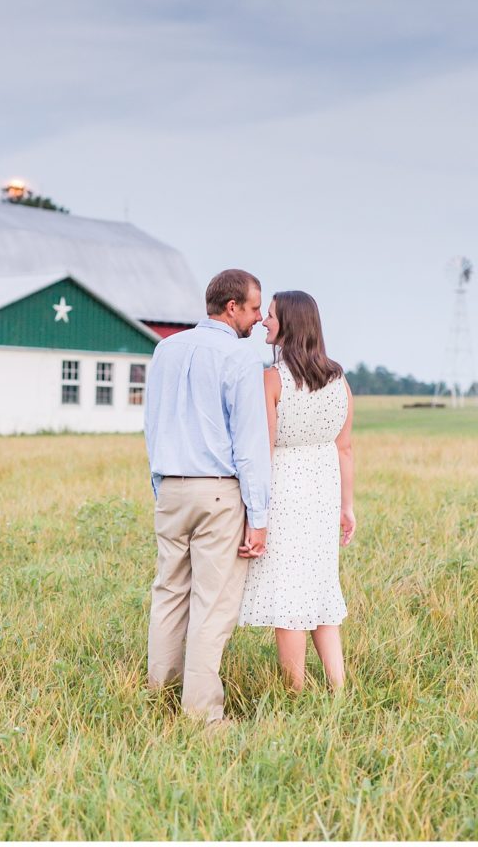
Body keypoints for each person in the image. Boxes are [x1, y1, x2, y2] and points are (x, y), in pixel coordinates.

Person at [144, 268, 271, 724]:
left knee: (169, 592)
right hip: (218, 492)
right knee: (213, 605)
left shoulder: (166, 349)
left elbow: (152, 422)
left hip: (171, 488)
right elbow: (250, 444)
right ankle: (202, 715)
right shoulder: (239, 358)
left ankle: (159, 693)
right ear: (232, 306)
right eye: (255, 308)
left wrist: (160, 485)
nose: (259, 319)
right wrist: (259, 516)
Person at [238, 291, 356, 692]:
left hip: (286, 492)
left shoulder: (271, 379)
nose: (264, 322)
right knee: (321, 587)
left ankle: (296, 691)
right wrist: (347, 506)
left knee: (288, 595)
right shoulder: (339, 378)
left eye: (270, 316)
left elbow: (263, 451)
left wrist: (257, 514)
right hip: (324, 491)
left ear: (288, 324)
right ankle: (338, 687)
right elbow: (345, 448)